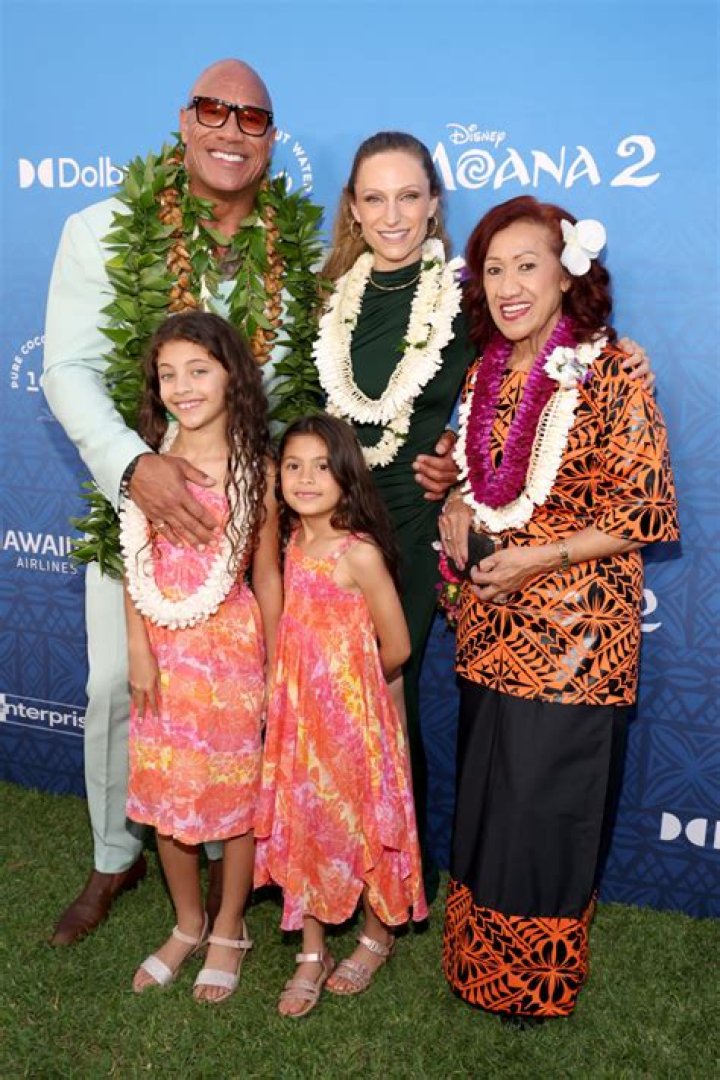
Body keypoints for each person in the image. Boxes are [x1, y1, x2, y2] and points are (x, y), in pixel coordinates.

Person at [313, 131, 654, 904]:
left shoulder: (483, 309)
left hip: (494, 582)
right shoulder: (343, 307)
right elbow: (469, 444)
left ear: (434, 204)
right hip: (384, 556)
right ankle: (339, 880)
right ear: (352, 209)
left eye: (408, 196)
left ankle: (405, 900)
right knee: (352, 715)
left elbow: (635, 499)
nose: (392, 214)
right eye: (374, 197)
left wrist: (615, 347)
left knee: (414, 715)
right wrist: (458, 486)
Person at [41, 58, 322, 945]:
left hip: (251, 516)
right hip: (140, 512)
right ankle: (114, 852)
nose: (230, 129)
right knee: (118, 686)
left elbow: (323, 377)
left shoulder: (303, 251)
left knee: (244, 697)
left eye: (251, 117)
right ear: (183, 120)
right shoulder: (102, 229)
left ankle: (249, 845)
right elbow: (67, 369)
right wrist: (136, 469)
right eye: (212, 109)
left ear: (270, 139)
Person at [439, 196, 679, 1024]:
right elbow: (477, 480)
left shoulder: (612, 369)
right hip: (490, 628)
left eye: (527, 265)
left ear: (568, 274)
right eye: (493, 269)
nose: (509, 286)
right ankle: (475, 964)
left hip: (576, 641)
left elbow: (645, 510)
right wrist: (457, 507)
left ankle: (530, 985)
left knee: (543, 812)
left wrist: (538, 559)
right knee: (491, 805)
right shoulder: (486, 371)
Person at [123, 311, 281, 1002]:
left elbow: (266, 574)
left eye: (198, 370)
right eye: (168, 375)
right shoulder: (147, 463)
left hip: (230, 653)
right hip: (161, 650)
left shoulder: (256, 469)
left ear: (231, 376)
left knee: (235, 798)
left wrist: (275, 665)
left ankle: (228, 927)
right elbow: (133, 562)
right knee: (167, 795)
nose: (182, 387)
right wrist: (138, 647)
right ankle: (187, 923)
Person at [254, 414, 427, 1018]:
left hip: (356, 726)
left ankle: (377, 936)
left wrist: (348, 694)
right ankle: (311, 950)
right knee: (307, 821)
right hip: (301, 725)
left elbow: (397, 646)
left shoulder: (360, 554)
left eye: (321, 467)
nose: (305, 479)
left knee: (367, 821)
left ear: (347, 475)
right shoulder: (293, 543)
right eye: (293, 466)